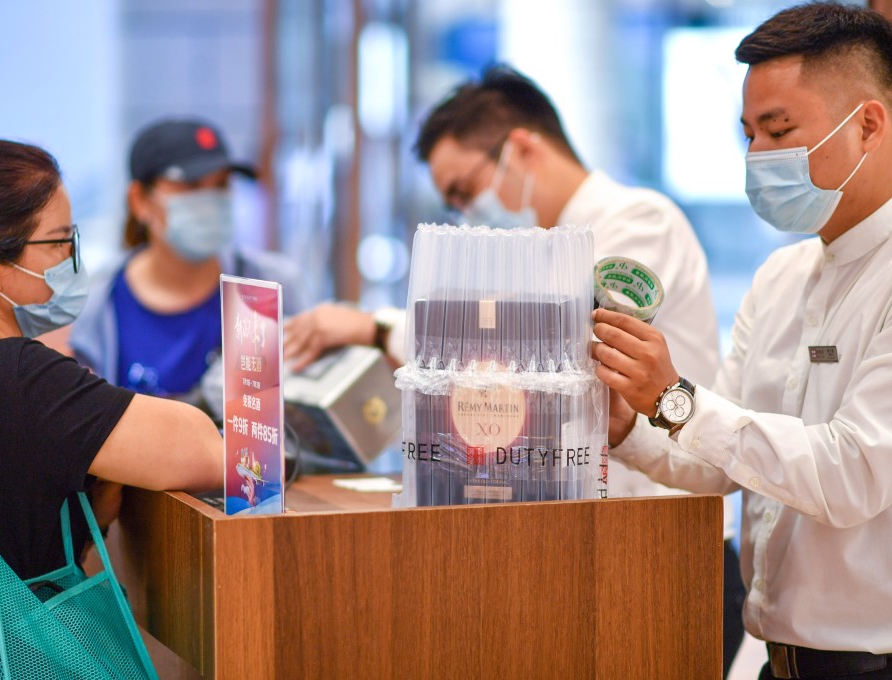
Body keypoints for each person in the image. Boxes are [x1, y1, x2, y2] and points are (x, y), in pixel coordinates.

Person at [285, 65, 744, 675]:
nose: (468, 212)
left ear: (521, 147)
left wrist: (376, 327)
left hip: (662, 547)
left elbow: (557, 344)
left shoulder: (636, 221)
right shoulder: (540, 253)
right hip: (588, 546)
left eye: (463, 188)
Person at [592, 4, 892, 678]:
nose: (757, 158)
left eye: (779, 131)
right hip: (777, 660)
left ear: (868, 126)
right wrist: (633, 425)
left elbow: (851, 472)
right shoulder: (782, 276)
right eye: (748, 135)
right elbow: (722, 462)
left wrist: (676, 396)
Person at [0, 139, 223, 580]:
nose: (71, 260)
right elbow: (205, 453)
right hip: (12, 648)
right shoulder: (13, 373)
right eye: (60, 242)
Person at [70, 118, 305, 413]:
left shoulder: (270, 284)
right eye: (191, 186)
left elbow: (303, 412)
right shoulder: (94, 304)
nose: (209, 201)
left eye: (220, 185)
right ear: (140, 200)